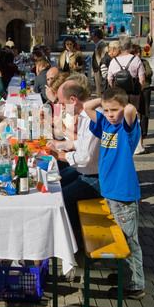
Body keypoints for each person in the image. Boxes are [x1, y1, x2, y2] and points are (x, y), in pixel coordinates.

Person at [83, 87, 145, 299]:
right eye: (107, 110)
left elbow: (131, 109)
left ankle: (135, 284)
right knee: (119, 237)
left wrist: (120, 102)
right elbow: (86, 106)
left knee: (129, 241)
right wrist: (105, 101)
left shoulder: (127, 129)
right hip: (110, 190)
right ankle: (123, 274)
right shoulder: (105, 124)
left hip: (123, 193)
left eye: (114, 110)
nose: (110, 114)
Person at [47, 78, 101, 231]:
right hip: (87, 171)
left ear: (73, 100)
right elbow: (81, 143)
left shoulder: (93, 117)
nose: (62, 108)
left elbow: (86, 157)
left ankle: (72, 239)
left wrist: (60, 156)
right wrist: (61, 145)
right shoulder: (85, 114)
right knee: (54, 181)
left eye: (63, 104)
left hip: (97, 177)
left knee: (60, 198)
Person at [131, 44, 153, 140]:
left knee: (145, 110)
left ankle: (144, 131)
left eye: (140, 52)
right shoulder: (130, 62)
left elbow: (149, 72)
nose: (139, 54)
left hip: (145, 88)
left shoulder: (144, 62)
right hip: (134, 89)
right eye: (137, 53)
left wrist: (141, 70)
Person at [91, 28, 107, 97]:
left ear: (96, 37)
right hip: (97, 71)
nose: (92, 38)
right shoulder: (97, 45)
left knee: (101, 90)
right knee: (98, 90)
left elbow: (103, 59)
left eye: (93, 36)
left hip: (100, 71)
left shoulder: (103, 46)